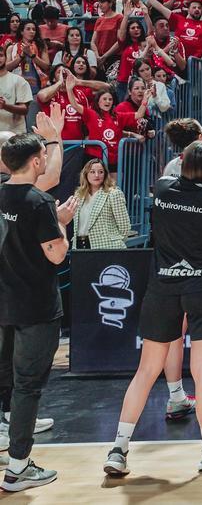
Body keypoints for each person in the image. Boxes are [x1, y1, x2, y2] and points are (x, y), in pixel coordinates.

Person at [102, 142, 202, 478]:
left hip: (163, 286)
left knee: (146, 370)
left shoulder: (163, 188)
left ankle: (118, 449)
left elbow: (175, 169)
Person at [0, 133, 73, 492]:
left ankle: (12, 453)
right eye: (44, 155)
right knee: (27, 388)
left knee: (9, 385)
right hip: (35, 307)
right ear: (34, 161)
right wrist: (62, 223)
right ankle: (17, 468)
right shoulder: (39, 201)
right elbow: (57, 255)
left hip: (3, 304)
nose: (45, 160)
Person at [71, 158, 131, 249]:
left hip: (107, 247)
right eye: (92, 172)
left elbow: (125, 227)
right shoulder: (79, 195)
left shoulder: (113, 194)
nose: (96, 175)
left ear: (105, 174)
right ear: (86, 174)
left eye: (101, 172)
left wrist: (115, 243)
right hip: (80, 245)